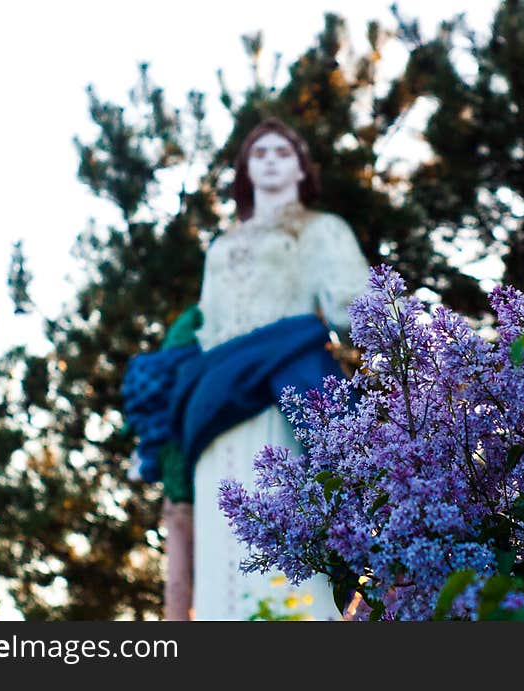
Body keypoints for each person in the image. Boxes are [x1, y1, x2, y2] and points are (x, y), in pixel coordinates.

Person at [122, 117, 369, 620]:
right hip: (215, 405)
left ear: (302, 170)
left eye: (283, 152)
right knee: (222, 549)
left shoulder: (321, 230)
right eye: (260, 153)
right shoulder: (222, 247)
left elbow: (355, 307)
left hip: (284, 399)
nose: (271, 160)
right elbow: (208, 331)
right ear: (245, 171)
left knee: (291, 531)